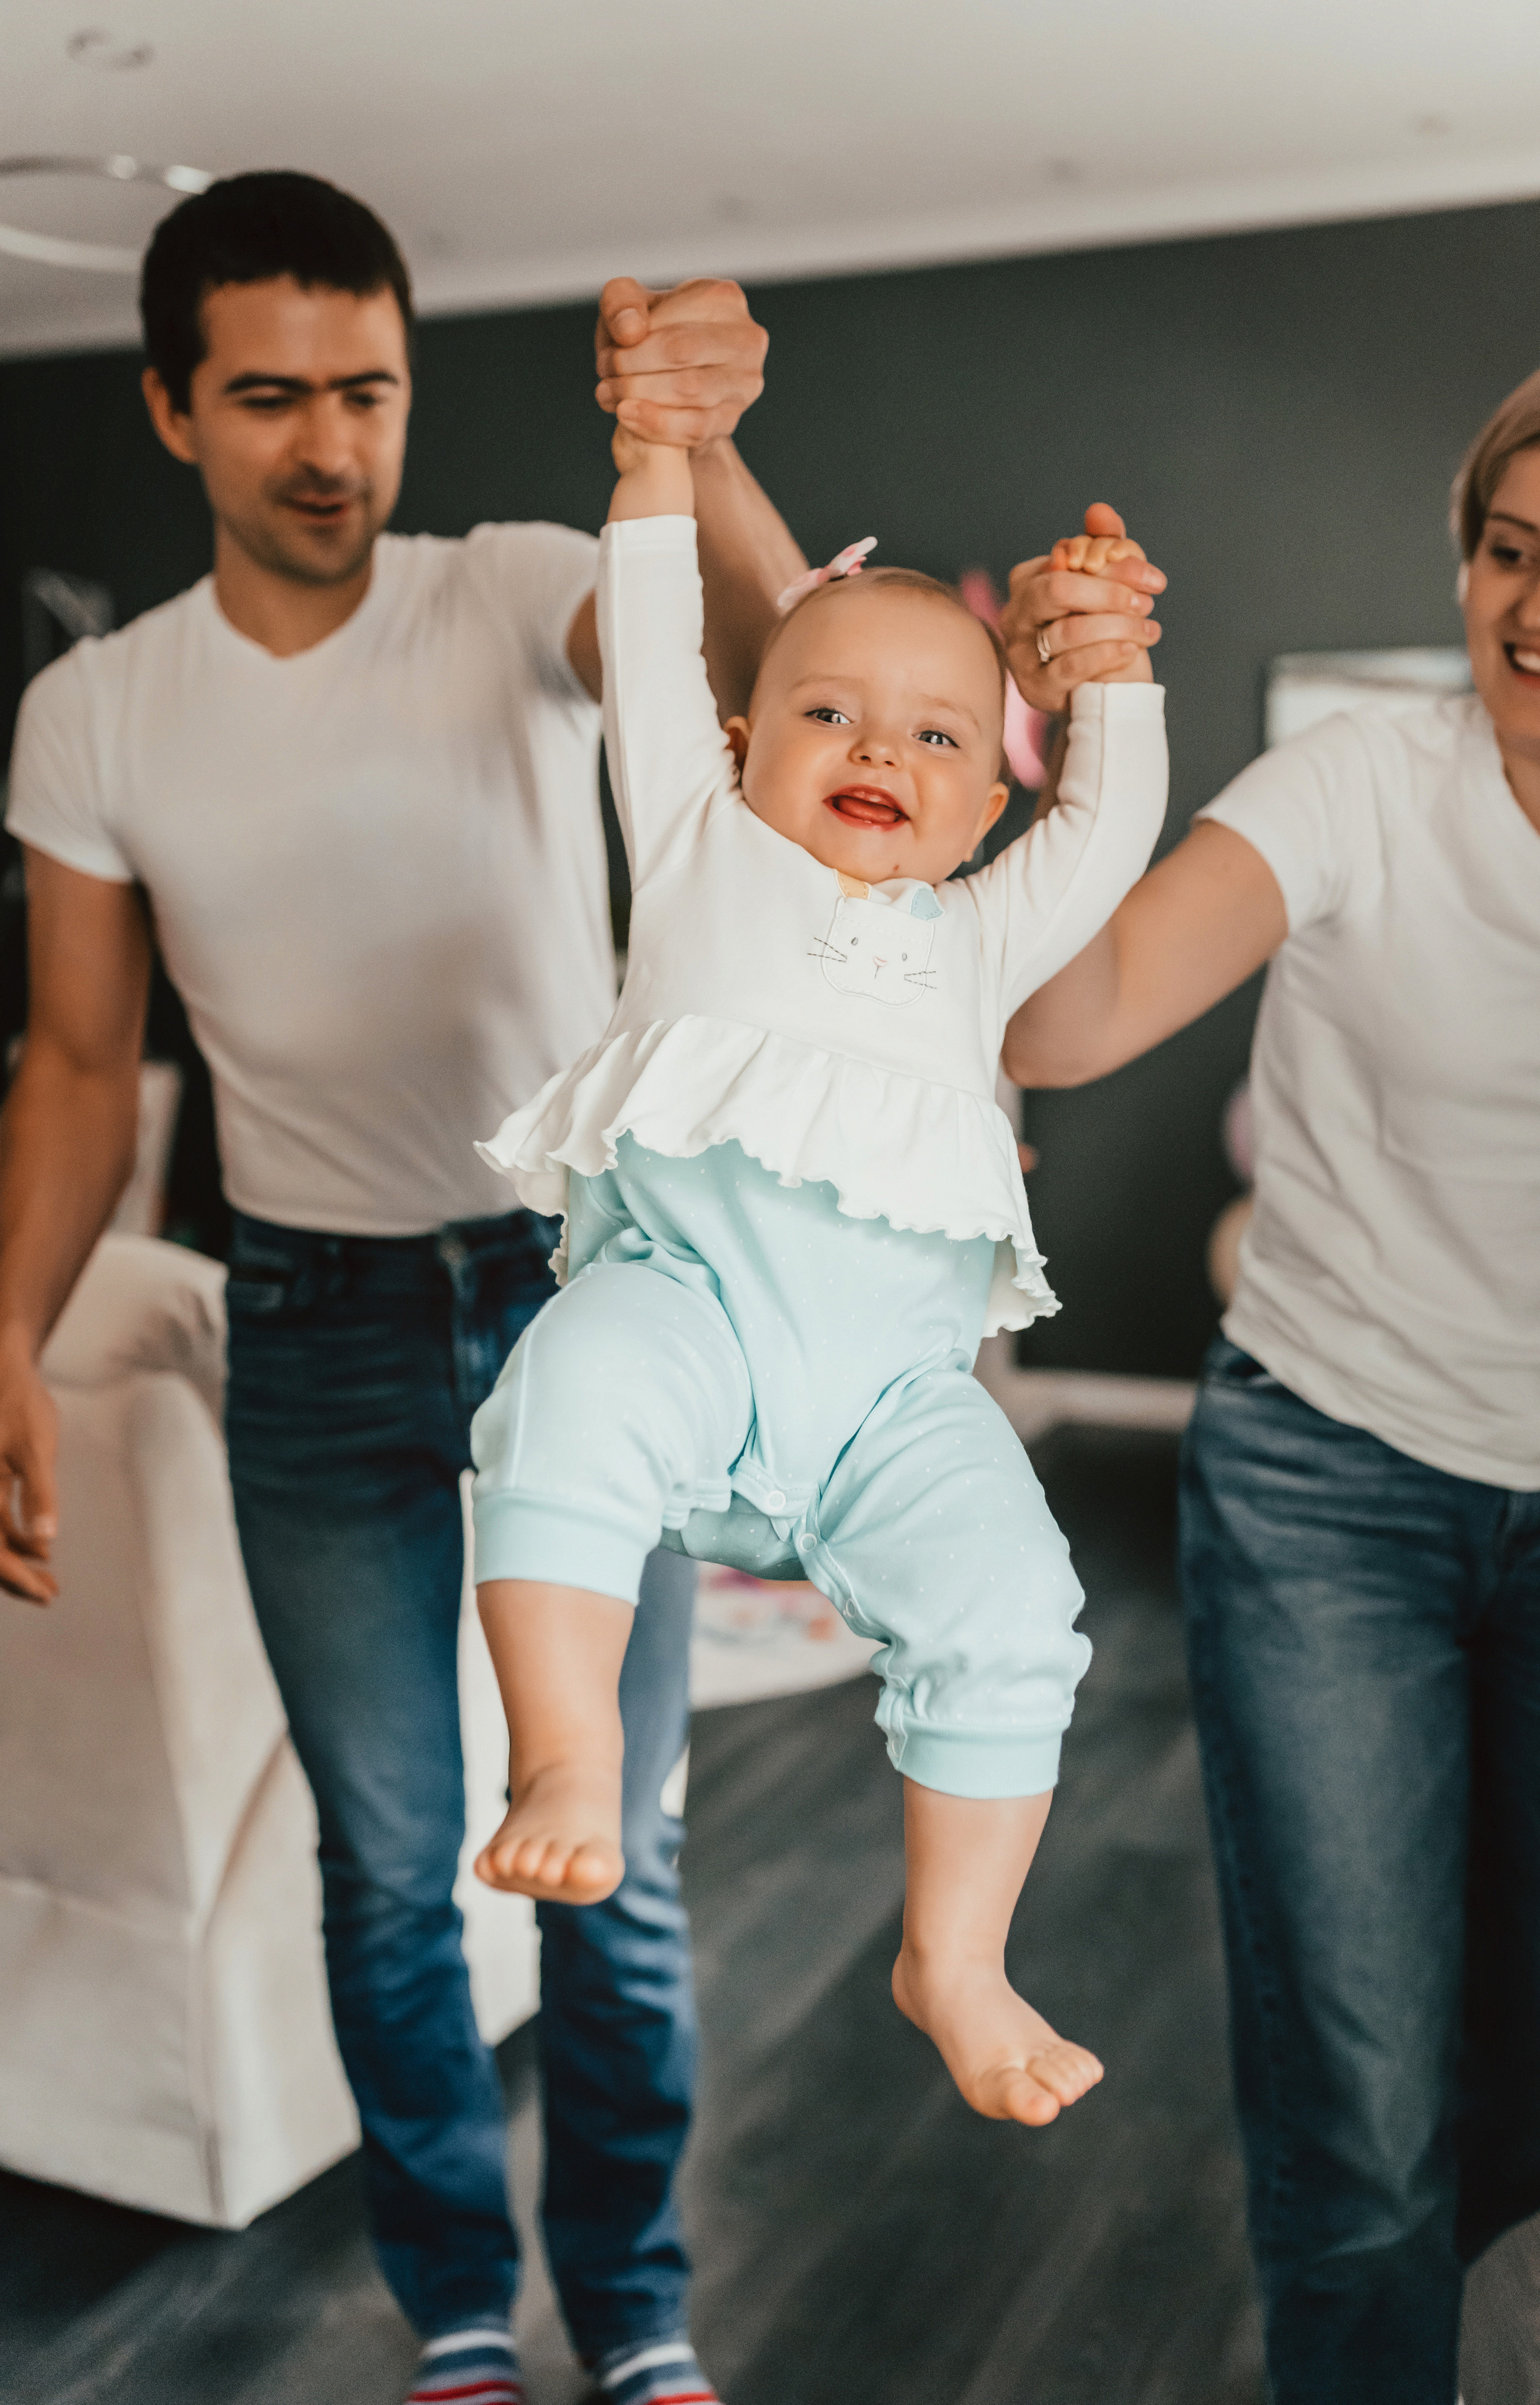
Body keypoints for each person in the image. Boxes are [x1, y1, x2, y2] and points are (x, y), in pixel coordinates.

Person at [0, 168, 804, 2405]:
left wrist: (705, 444)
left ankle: (636, 2311)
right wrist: (9, 1334)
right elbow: (80, 1066)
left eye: (367, 390)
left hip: (581, 1307)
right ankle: (458, 2310)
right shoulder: (99, 711)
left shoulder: (519, 588)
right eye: (269, 396)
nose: (329, 443)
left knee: (620, 1853)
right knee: (387, 1867)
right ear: (172, 411)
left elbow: (773, 681)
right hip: (312, 1331)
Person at [999, 352, 1540, 2402]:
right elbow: (1067, 1021)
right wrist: (1080, 740)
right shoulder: (1361, 782)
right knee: (1358, 2117)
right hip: (1331, 1486)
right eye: (1508, 549)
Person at [460, 417, 1171, 2131]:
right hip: (686, 1313)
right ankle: (569, 1756)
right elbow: (648, 642)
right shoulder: (699, 845)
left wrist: (1118, 677)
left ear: (988, 802)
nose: (879, 751)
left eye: (937, 735)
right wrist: (650, 464)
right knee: (566, 1390)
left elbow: (1109, 824)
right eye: (830, 713)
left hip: (894, 1403)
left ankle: (958, 1955)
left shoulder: (982, 933)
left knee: (1018, 1610)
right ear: (739, 743)